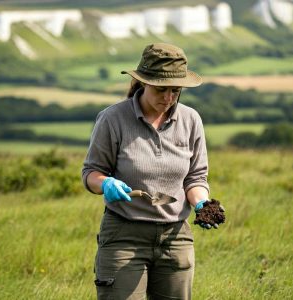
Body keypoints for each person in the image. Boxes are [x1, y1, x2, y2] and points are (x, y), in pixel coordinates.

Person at [82, 43, 216, 299]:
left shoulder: (191, 120)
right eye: (161, 89)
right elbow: (91, 173)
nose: (168, 98)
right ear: (143, 83)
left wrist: (202, 203)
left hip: (176, 236)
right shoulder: (113, 119)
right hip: (124, 234)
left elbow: (195, 178)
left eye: (175, 91)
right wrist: (105, 183)